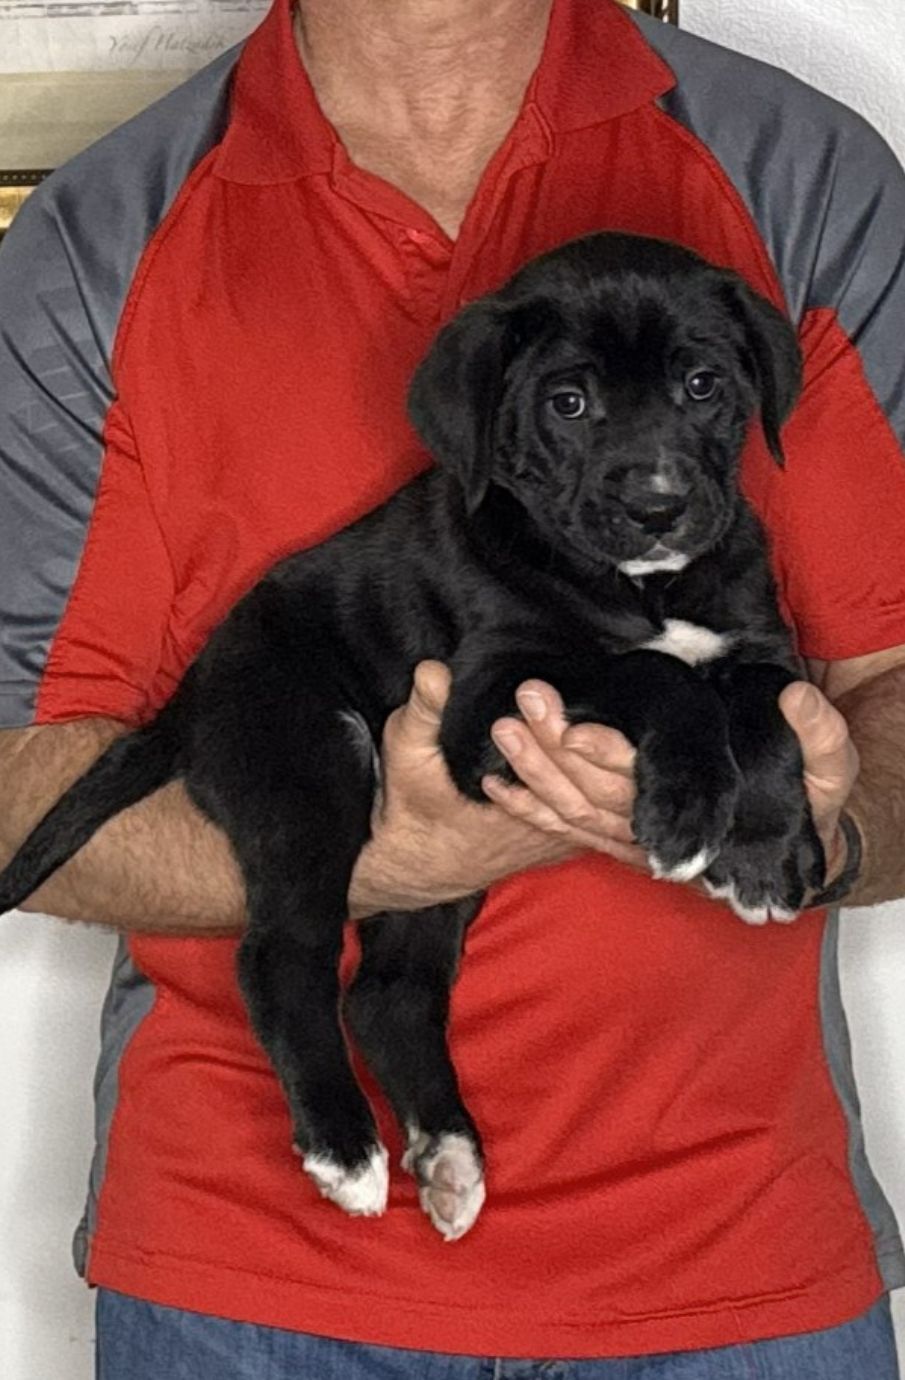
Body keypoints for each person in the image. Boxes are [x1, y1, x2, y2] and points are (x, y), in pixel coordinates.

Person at [1, 0, 904, 1374]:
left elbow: (893, 687)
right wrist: (380, 862)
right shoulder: (99, 238)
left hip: (731, 1258)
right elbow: (16, 791)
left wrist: (823, 828)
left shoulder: (793, 173)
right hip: (251, 1280)